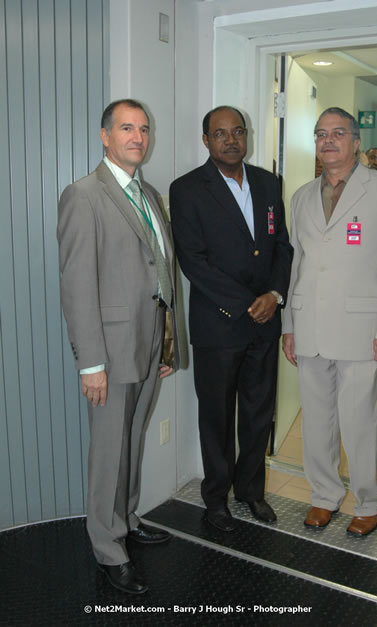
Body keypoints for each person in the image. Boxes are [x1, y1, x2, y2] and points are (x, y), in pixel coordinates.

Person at [57, 99, 179, 594]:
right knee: (110, 450)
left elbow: (161, 271)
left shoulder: (147, 193)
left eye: (144, 129)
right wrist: (91, 364)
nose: (137, 137)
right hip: (110, 348)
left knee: (132, 437)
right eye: (126, 128)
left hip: (149, 345)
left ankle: (125, 520)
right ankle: (107, 547)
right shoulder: (84, 195)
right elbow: (77, 285)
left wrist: (167, 344)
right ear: (105, 136)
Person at [282, 107, 377, 537]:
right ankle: (323, 496)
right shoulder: (301, 196)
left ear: (356, 142)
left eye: (339, 133)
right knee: (316, 420)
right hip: (311, 326)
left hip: (363, 330)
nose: (329, 141)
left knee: (360, 423)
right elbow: (296, 266)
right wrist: (289, 325)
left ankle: (367, 500)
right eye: (321, 133)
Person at [170, 106, 293, 532]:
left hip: (265, 323)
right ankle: (216, 498)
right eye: (220, 133)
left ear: (247, 136)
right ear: (206, 140)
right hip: (219, 325)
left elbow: (282, 247)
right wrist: (247, 303)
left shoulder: (267, 182)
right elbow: (193, 261)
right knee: (218, 418)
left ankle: (251, 492)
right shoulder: (186, 189)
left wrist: (275, 295)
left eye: (237, 131)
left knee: (259, 414)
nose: (230, 139)